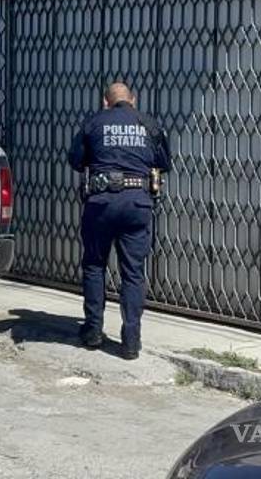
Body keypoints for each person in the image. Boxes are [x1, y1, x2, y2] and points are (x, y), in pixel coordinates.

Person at [67, 82, 170, 359]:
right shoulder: (148, 124)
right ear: (132, 100)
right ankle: (131, 341)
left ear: (105, 101)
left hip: (100, 204)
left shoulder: (94, 122)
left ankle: (92, 331)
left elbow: (76, 160)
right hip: (137, 202)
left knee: (94, 265)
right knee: (133, 272)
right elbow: (164, 163)